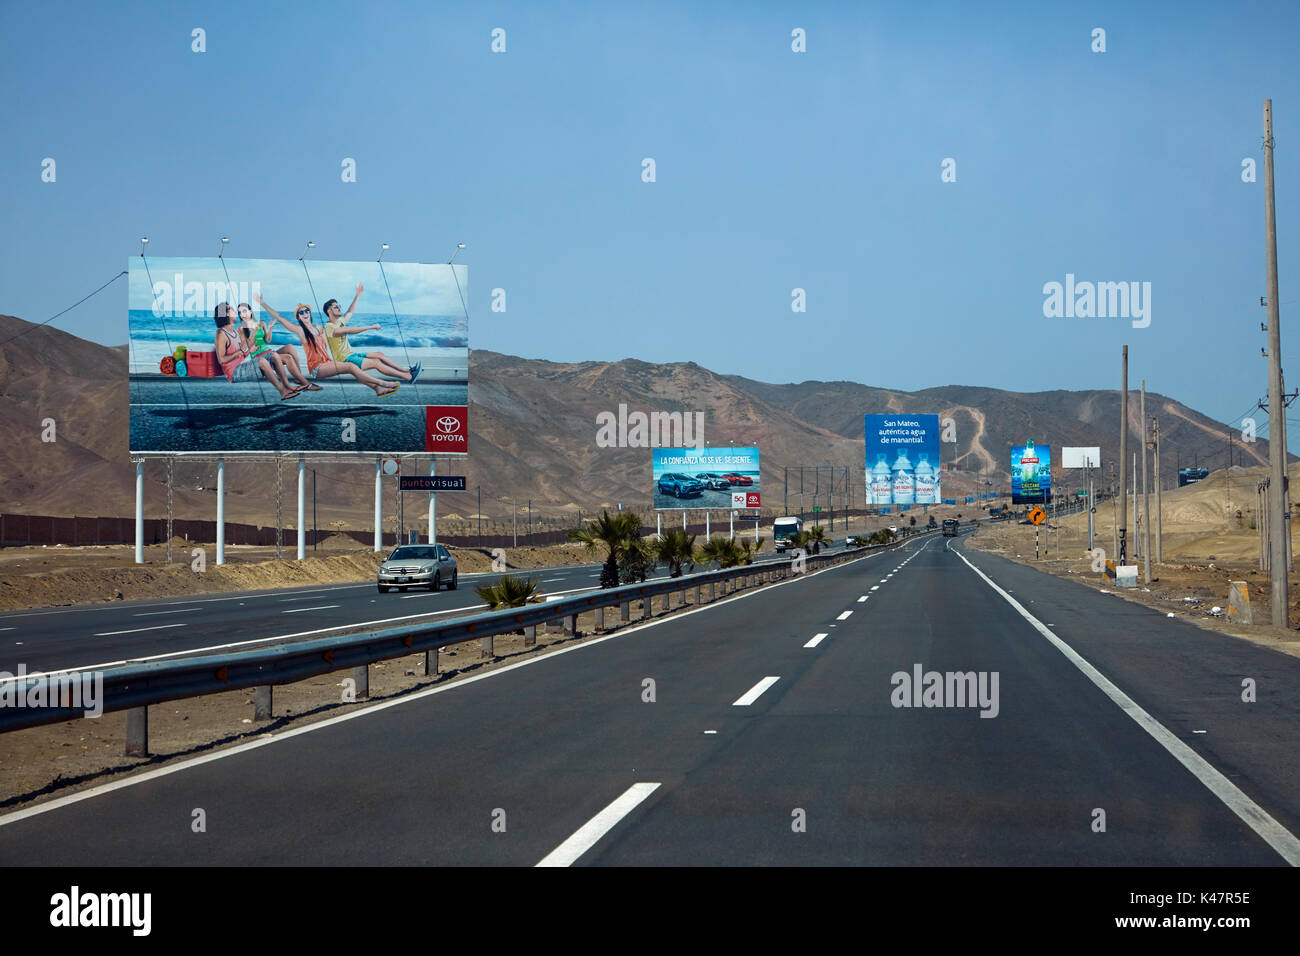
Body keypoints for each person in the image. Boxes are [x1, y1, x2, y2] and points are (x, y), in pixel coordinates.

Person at [252, 292, 400, 397]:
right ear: (298, 317)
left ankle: (377, 389)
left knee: (351, 368)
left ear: (310, 313)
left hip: (328, 363)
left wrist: (357, 296)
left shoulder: (320, 328)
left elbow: (345, 319)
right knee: (350, 367)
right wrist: (262, 303)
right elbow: (279, 317)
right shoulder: (300, 331)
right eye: (301, 312)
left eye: (306, 311)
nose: (305, 313)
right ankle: (383, 384)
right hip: (317, 368)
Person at [323, 283, 422, 383]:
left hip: (351, 354)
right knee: (376, 363)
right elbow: (349, 330)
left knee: (379, 355)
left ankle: (407, 371)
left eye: (339, 306)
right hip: (345, 359)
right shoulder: (329, 327)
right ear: (329, 311)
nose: (339, 308)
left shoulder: (339, 321)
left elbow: (350, 312)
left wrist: (357, 295)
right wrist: (372, 327)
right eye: (336, 307)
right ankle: (409, 377)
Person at [213, 302, 300, 400]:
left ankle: (288, 386)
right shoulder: (221, 333)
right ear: (226, 314)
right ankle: (283, 391)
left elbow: (244, 350)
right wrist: (242, 351)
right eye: (232, 310)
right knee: (262, 361)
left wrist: (251, 342)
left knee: (274, 356)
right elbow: (221, 360)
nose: (236, 312)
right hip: (234, 372)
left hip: (242, 364)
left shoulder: (234, 333)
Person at [237, 303, 320, 392]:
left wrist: (270, 328)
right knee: (288, 358)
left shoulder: (261, 324)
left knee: (290, 347)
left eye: (244, 311)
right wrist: (252, 332)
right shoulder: (241, 328)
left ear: (250, 311)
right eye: (240, 312)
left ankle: (298, 379)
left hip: (268, 352)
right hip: (259, 357)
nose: (243, 314)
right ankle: (306, 384)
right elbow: (247, 346)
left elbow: (267, 340)